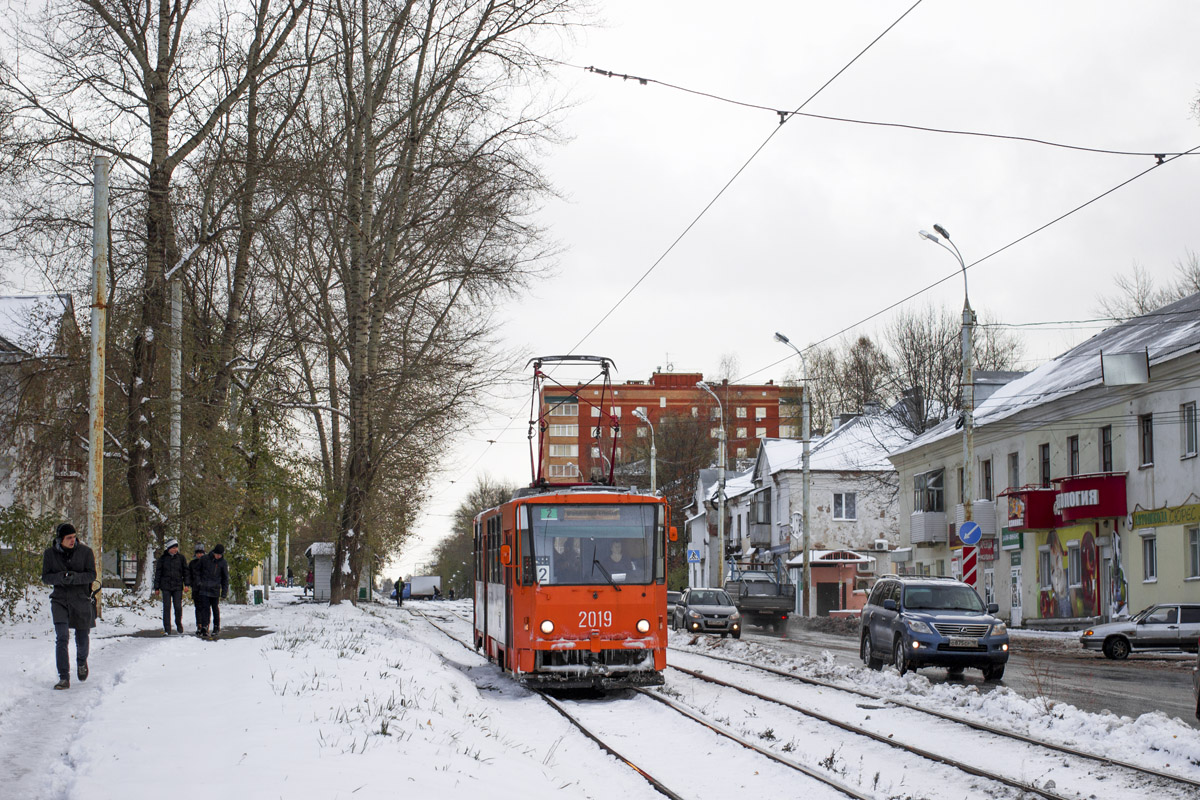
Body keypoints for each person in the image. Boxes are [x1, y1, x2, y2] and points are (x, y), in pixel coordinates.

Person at [41, 522, 96, 690]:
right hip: (59, 600)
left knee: (82, 637)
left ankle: (81, 662)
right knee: (62, 637)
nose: (73, 540)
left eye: (74, 537)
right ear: (60, 539)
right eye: (68, 538)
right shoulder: (50, 554)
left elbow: (91, 575)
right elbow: (46, 577)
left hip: (81, 599)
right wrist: (60, 577)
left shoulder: (86, 552)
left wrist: (74, 577)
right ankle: (63, 677)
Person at [192, 543, 230, 639]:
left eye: (220, 555)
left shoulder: (223, 563)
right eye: (217, 554)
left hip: (215, 589)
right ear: (214, 552)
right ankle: (205, 626)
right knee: (205, 608)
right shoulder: (204, 559)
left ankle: (216, 626)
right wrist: (199, 582)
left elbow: (225, 578)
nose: (218, 556)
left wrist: (224, 592)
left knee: (215, 608)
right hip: (204, 588)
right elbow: (196, 571)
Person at [153, 538, 189, 635]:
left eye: (176, 547)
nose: (175, 549)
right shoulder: (163, 559)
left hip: (177, 586)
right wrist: (156, 587)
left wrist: (187, 584)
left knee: (178, 607)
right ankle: (167, 628)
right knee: (167, 607)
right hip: (166, 586)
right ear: (168, 548)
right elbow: (158, 573)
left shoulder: (181, 558)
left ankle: (178, 623)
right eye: (173, 548)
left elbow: (185, 572)